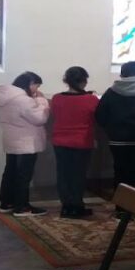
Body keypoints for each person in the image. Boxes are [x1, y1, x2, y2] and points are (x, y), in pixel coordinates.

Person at [95, 61, 135, 216]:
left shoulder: (111, 92)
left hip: (118, 140)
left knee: (121, 173)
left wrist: (112, 128)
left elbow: (100, 116)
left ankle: (121, 209)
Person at [0, 71, 50, 217]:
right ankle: (22, 207)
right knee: (24, 175)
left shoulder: (6, 98)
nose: (37, 90)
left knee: (10, 172)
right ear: (30, 84)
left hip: (12, 140)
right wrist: (42, 101)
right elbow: (39, 118)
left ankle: (7, 203)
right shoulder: (23, 100)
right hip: (26, 142)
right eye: (36, 86)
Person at [50, 66, 99, 219]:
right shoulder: (91, 99)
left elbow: (56, 114)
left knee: (63, 174)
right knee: (78, 174)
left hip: (60, 140)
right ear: (84, 81)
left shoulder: (57, 98)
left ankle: (66, 206)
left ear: (67, 81)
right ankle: (77, 205)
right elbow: (96, 117)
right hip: (81, 140)